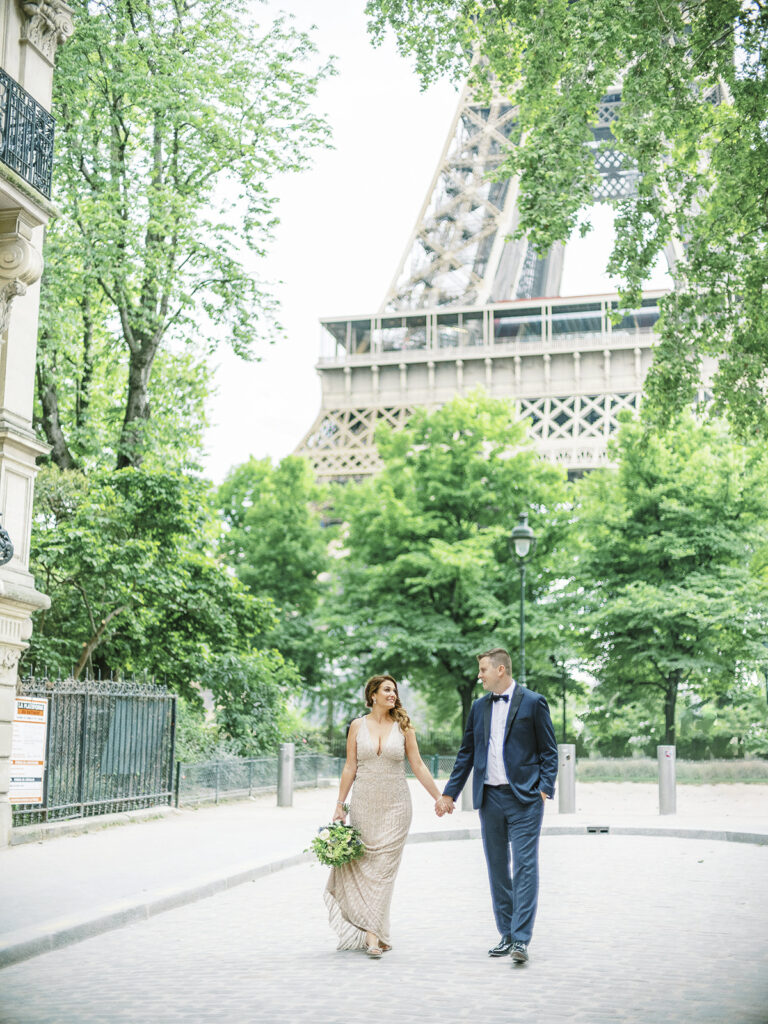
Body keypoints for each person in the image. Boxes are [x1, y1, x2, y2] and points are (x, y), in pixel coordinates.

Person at [436, 648, 558, 964]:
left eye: (482, 670)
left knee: (525, 866)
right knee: (497, 868)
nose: (479, 675)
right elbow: (466, 753)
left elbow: (549, 751)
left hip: (525, 800)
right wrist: (449, 793)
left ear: (500, 669)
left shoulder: (533, 702)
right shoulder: (478, 708)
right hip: (489, 799)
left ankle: (521, 939)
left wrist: (543, 789)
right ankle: (506, 934)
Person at [325, 674, 443, 957]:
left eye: (394, 691)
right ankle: (376, 929)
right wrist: (339, 804)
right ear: (373, 695)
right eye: (387, 690)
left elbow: (418, 765)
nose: (392, 694)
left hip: (396, 807)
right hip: (364, 806)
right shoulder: (357, 726)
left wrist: (439, 797)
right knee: (366, 868)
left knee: (383, 872)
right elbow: (349, 767)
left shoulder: (404, 727)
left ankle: (372, 937)